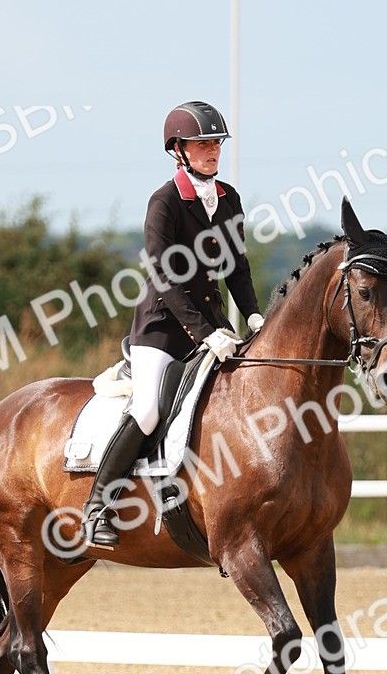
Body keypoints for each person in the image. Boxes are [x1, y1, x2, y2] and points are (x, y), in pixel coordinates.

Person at [82, 100, 262, 548]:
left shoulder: (228, 199)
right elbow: (164, 276)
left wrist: (254, 315)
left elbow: (237, 267)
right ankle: (97, 505)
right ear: (178, 149)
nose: (212, 151)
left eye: (216, 143)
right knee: (147, 409)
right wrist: (205, 333)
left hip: (215, 326)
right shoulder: (164, 201)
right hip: (162, 328)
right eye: (203, 144)